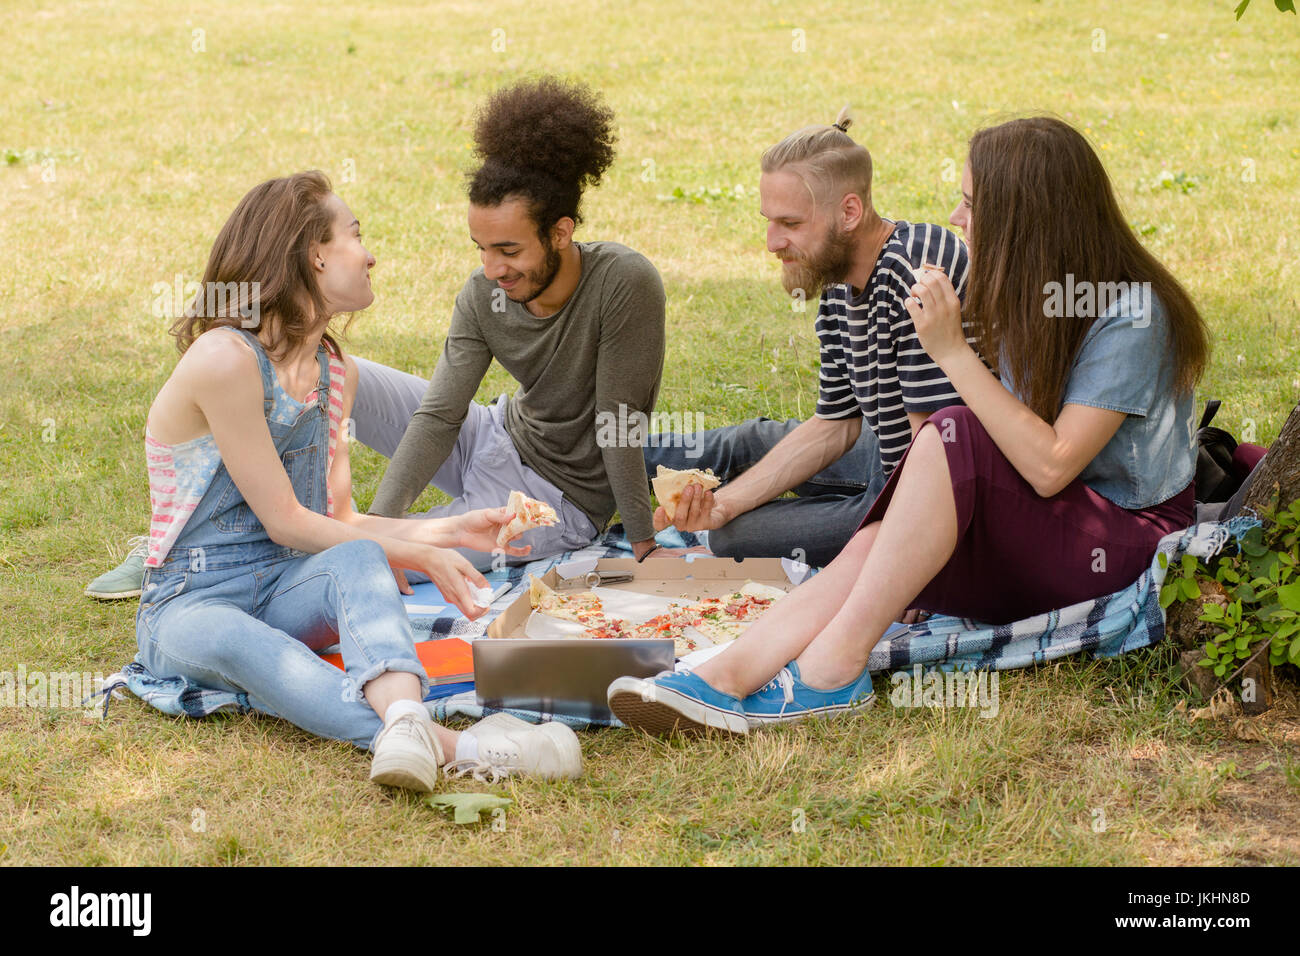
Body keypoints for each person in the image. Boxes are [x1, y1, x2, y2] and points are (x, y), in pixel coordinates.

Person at [610, 116, 1209, 735]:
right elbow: (862, 429)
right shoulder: (1021, 294)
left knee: (950, 432)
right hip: (1043, 526)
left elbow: (1051, 466)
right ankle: (726, 675)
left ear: (1027, 216)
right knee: (880, 530)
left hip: (1122, 545)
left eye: (972, 203)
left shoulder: (1134, 313)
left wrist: (952, 352)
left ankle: (829, 672)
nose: (956, 215)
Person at [86, 76, 667, 599]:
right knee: (324, 371)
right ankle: (196, 535)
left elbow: (618, 422)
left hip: (555, 499)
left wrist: (642, 543)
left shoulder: (624, 284)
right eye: (481, 250)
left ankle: (247, 555)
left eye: (508, 251)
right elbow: (440, 415)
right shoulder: (483, 293)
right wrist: (372, 527)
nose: (491, 269)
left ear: (561, 233)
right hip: (491, 433)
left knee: (421, 562)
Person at [136, 170, 582, 789]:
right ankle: (458, 746)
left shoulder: (331, 368)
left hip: (287, 586)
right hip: (193, 601)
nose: (370, 254)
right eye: (356, 236)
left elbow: (340, 522)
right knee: (240, 643)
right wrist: (420, 552)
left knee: (360, 556)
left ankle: (404, 720)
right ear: (315, 254)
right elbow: (284, 520)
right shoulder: (224, 359)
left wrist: (455, 529)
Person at [642, 108, 971, 569]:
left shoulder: (915, 276)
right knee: (749, 443)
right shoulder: (838, 274)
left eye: (790, 224)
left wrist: (911, 567)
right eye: (769, 221)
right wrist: (727, 502)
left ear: (849, 212)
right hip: (887, 452)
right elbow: (835, 425)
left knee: (732, 539)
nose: (772, 242)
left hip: (934, 491)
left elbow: (936, 458)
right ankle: (595, 458)